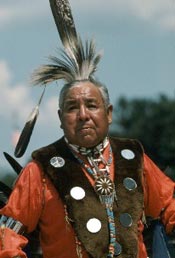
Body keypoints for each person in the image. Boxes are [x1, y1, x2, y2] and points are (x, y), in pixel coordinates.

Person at [0, 0, 175, 258]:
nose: (83, 115)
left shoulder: (133, 158)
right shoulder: (40, 170)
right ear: (60, 118)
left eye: (92, 105)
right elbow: (9, 232)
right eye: (72, 108)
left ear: (109, 113)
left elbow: (169, 205)